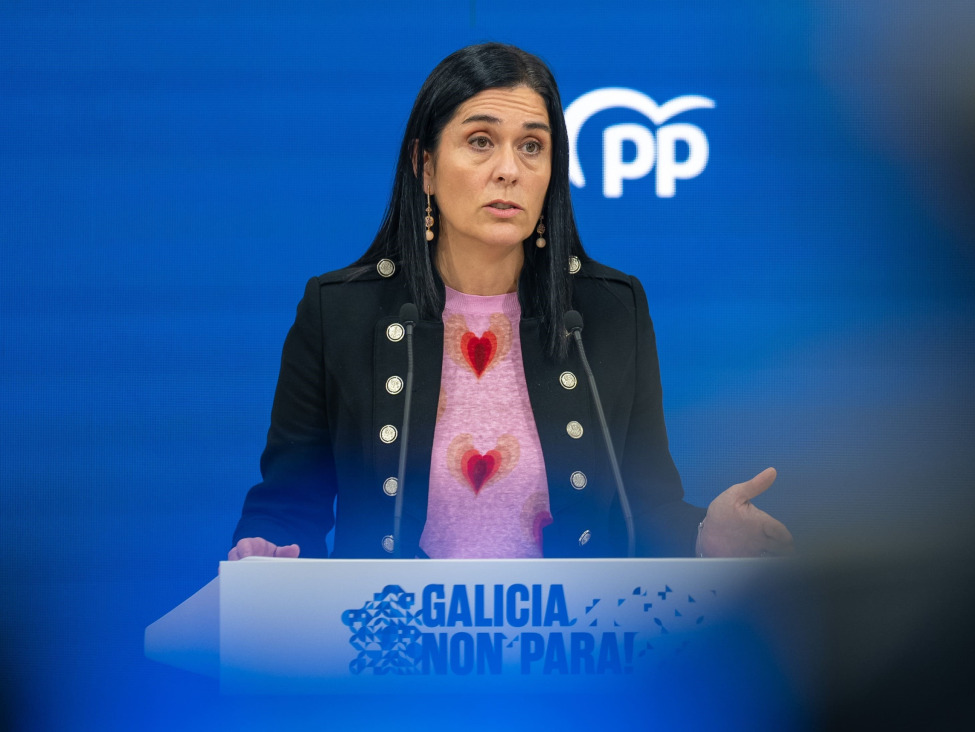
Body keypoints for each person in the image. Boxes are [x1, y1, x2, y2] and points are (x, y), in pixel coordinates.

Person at [229, 42, 793, 561]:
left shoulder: (609, 310)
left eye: (531, 147)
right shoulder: (340, 312)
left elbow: (645, 507)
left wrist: (704, 536)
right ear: (425, 165)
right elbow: (288, 504)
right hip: (394, 635)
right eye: (480, 141)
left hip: (575, 634)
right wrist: (267, 552)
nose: (508, 170)